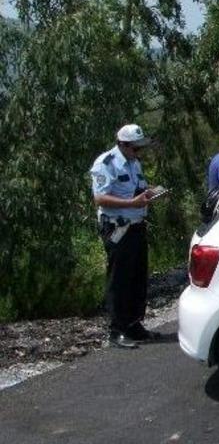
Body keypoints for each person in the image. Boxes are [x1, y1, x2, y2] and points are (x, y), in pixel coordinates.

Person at [90, 124, 162, 349]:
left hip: (137, 225)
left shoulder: (134, 163)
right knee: (119, 278)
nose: (138, 153)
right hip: (118, 228)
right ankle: (117, 329)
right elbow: (100, 198)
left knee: (137, 277)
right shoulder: (106, 163)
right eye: (135, 148)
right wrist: (132, 203)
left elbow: (135, 189)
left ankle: (134, 324)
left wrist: (149, 192)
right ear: (123, 144)